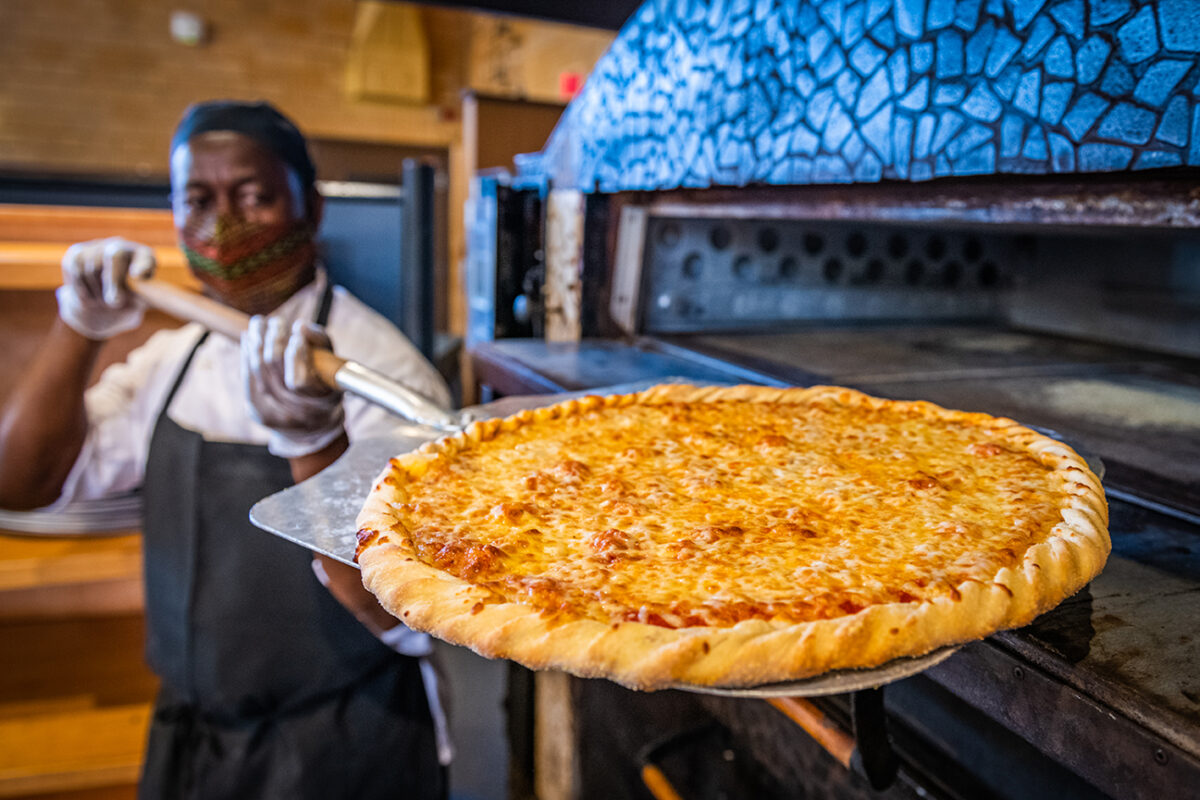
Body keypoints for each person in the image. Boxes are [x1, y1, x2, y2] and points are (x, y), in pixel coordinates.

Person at [0, 101, 452, 798]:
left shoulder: (380, 375)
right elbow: (22, 482)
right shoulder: (173, 360)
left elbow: (410, 611)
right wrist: (79, 324)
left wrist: (312, 440)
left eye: (253, 196)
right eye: (198, 200)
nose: (222, 227)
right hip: (194, 740)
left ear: (311, 209)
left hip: (345, 742)